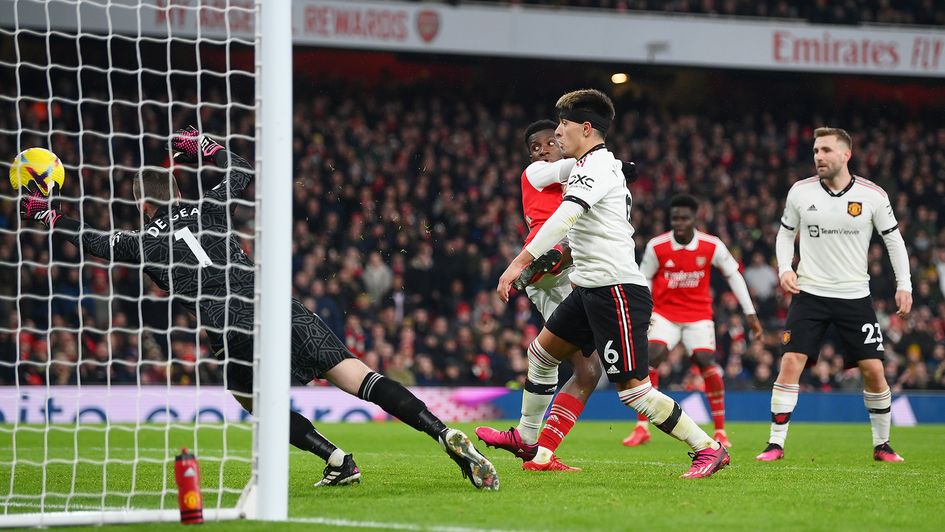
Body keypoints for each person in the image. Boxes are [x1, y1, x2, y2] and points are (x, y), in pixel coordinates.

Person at [18, 126, 499, 490]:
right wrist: (205, 145)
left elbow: (95, 241)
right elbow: (242, 171)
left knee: (250, 399)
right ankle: (441, 434)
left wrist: (49, 214)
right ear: (179, 191)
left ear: (144, 206)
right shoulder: (209, 208)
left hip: (230, 324)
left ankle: (335, 459)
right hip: (278, 305)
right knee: (361, 378)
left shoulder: (142, 240)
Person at [496, 90, 729, 479]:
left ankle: (707, 447)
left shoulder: (596, 167)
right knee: (541, 354)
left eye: (563, 125)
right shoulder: (596, 165)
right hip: (588, 288)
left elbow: (566, 216)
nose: (557, 133)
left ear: (585, 128)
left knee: (633, 391)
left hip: (615, 289)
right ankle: (528, 438)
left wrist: (519, 261)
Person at [756, 127, 911, 463]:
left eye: (826, 150)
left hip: (855, 296)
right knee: (790, 362)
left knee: (873, 370)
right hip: (809, 292)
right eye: (815, 151)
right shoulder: (800, 192)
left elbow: (894, 241)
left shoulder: (873, 196)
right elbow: (785, 235)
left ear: (846, 155)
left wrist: (905, 285)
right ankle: (775, 444)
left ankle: (882, 445)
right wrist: (785, 268)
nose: (818, 157)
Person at [476, 120, 605, 472]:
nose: (544, 150)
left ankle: (540, 452)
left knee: (588, 371)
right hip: (547, 260)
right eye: (537, 146)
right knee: (559, 358)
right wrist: (610, 161)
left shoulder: (573, 181)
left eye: (551, 142)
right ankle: (531, 442)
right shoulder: (537, 172)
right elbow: (571, 165)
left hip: (556, 277)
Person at [623, 194, 763, 448]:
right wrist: (641, 315)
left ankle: (720, 431)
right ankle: (641, 427)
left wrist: (750, 313)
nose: (679, 222)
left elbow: (733, 275)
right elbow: (644, 280)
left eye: (684, 218)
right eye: (675, 217)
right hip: (664, 313)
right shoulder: (658, 246)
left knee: (704, 360)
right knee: (652, 355)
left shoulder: (712, 245)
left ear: (695, 219)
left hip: (698, 314)